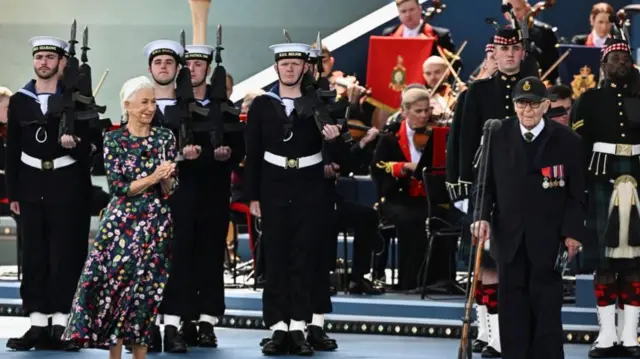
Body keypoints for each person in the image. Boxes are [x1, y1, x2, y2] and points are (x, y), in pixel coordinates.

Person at [62, 76, 178, 359]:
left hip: (156, 223)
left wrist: (166, 179)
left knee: (147, 293)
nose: (150, 108)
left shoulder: (166, 138)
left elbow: (170, 189)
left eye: (153, 102)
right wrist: (153, 176)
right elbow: (120, 188)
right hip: (121, 226)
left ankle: (140, 355)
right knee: (115, 291)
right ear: (127, 105)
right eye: (144, 102)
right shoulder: (113, 139)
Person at [471, 76, 586, 359]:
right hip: (508, 237)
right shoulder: (497, 134)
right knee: (512, 306)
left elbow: (577, 193)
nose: (528, 111)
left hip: (549, 238)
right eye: (522, 104)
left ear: (546, 106)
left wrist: (572, 232)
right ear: (514, 106)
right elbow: (485, 184)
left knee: (546, 306)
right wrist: (481, 216)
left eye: (534, 104)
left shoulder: (568, 140)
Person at [245, 42, 342, 356]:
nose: (289, 68)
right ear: (276, 68)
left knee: (303, 256)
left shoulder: (318, 104)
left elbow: (342, 157)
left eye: (295, 64)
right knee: (274, 258)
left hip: (309, 184)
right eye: (284, 64)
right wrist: (253, 196)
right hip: (273, 185)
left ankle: (299, 326)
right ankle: (277, 327)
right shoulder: (262, 104)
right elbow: (252, 154)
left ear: (305, 68)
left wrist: (334, 142)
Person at [5, 36, 92, 352]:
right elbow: (12, 148)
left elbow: (92, 148)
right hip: (29, 185)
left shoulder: (78, 99)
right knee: (34, 255)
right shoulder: (19, 100)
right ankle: (37, 324)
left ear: (61, 62)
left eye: (50, 57)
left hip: (66, 183)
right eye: (39, 56)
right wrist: (12, 191)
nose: (43, 62)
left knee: (65, 255)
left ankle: (62, 324)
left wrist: (77, 143)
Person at [161, 43, 245, 351]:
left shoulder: (226, 107)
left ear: (208, 69)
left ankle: (207, 322)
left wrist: (227, 154)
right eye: (190, 65)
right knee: (180, 258)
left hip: (213, 190)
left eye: (200, 65)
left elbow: (240, 148)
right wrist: (180, 155)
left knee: (210, 257)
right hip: (180, 194)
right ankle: (180, 320)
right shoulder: (171, 107)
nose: (194, 69)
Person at [571, 37, 640, 358]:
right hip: (601, 179)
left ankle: (631, 336)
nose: (623, 63)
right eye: (616, 58)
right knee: (605, 263)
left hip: (638, 178)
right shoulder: (589, 99)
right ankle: (606, 335)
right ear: (604, 65)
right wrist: (579, 188)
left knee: (635, 262)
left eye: (627, 57)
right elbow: (579, 147)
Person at [370, 85, 454, 291]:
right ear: (404, 111)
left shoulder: (437, 135)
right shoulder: (390, 137)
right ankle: (411, 280)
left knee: (446, 216)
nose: (424, 116)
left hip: (427, 197)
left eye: (427, 110)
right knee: (412, 220)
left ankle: (441, 279)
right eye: (418, 111)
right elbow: (376, 168)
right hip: (397, 198)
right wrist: (404, 167)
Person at [445, 40, 497, 355]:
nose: (494, 61)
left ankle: (494, 331)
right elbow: (459, 141)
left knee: (495, 263)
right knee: (483, 264)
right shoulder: (471, 95)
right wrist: (459, 186)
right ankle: (484, 325)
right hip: (476, 188)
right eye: (489, 55)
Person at [383, 0, 460, 70]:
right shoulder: (389, 35)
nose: (408, 15)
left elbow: (457, 65)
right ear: (399, 14)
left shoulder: (440, 35)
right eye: (403, 11)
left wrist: (433, 46)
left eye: (411, 10)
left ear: (420, 9)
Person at [505, 0, 560, 83]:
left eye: (518, 9)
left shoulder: (545, 32)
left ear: (528, 8)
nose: (515, 15)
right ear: (506, 15)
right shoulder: (504, 34)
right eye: (510, 11)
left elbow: (554, 67)